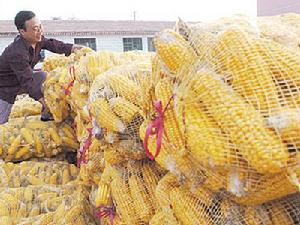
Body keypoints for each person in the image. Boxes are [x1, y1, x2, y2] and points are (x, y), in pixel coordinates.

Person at [0, 10, 82, 124]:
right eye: (34, 29)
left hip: (20, 80)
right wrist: (42, 100)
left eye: (40, 27)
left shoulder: (37, 40)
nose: (39, 31)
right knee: (2, 122)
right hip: (5, 88)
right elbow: (27, 81)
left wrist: (72, 48)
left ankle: (47, 114)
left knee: (44, 76)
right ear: (22, 32)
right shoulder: (17, 52)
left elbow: (53, 44)